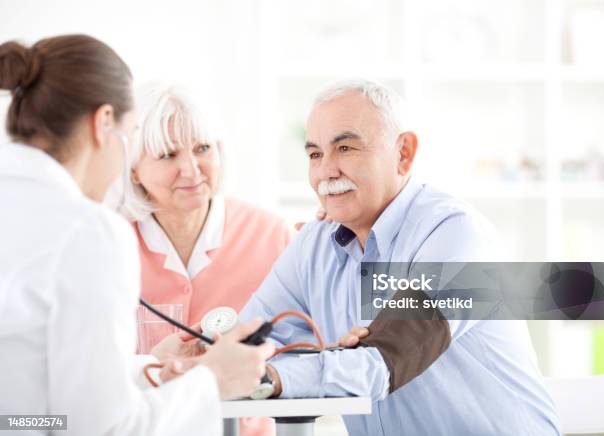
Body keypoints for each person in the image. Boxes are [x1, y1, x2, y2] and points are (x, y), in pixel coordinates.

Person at [240, 80, 562, 435]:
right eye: (315, 154)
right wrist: (210, 364)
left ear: (404, 153)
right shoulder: (313, 246)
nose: (325, 171)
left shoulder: (458, 236)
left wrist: (268, 376)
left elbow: (385, 358)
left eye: (345, 148)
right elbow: (249, 341)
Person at [0, 34, 273, 436]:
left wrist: (144, 369)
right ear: (103, 123)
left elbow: (31, 414)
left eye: (202, 148)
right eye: (133, 140)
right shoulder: (86, 231)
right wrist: (211, 382)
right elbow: (101, 429)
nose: (191, 170)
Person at [112, 84, 293, 435]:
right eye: (167, 155)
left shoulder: (273, 235)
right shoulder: (109, 243)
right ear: (133, 168)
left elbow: (305, 349)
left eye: (203, 149)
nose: (192, 170)